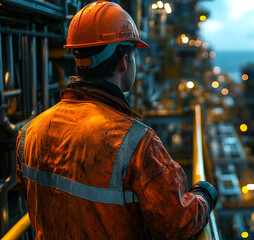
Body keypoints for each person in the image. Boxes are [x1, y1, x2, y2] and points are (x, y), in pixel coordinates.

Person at [16, 1, 217, 239]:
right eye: (134, 54)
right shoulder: (136, 143)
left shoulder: (29, 132)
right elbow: (180, 223)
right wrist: (205, 194)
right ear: (124, 61)